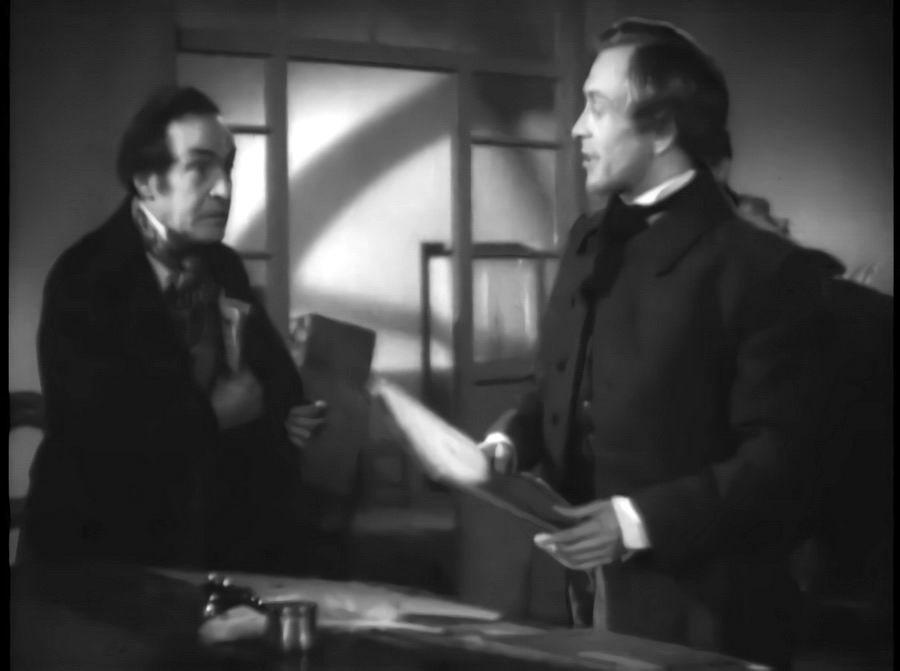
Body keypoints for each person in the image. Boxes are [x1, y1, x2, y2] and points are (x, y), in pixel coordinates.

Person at [477, 18, 838, 670]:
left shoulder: (765, 269)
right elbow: (559, 384)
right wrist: (509, 438)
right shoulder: (589, 239)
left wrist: (636, 521)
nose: (576, 129)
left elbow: (784, 461)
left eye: (597, 107)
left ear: (663, 129)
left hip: (701, 611)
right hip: (569, 590)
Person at [23, 86, 331, 575]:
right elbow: (95, 432)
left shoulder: (223, 266)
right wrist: (213, 417)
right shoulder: (86, 275)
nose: (224, 189)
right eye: (200, 168)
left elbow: (275, 384)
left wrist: (287, 414)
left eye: (228, 167)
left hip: (208, 542)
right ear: (148, 182)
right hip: (98, 550)